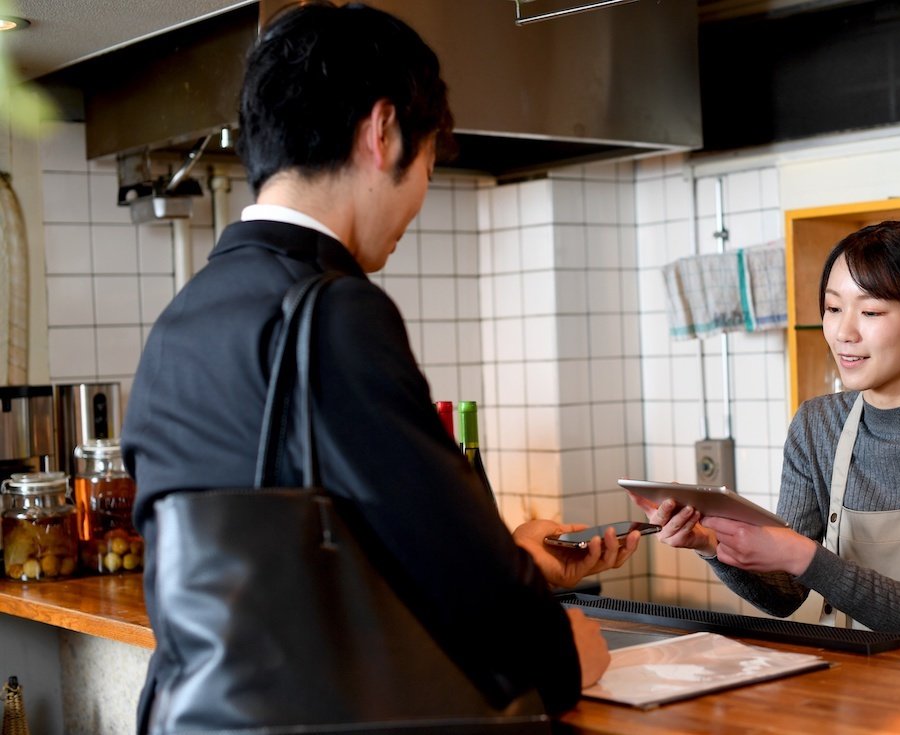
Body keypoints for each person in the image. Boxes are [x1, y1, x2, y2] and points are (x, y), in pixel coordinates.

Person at [122, 2, 639, 730]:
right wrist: (562, 652)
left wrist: (519, 560)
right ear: (382, 130)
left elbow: (309, 547)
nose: (419, 196)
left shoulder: (184, 318)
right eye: (427, 161)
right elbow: (456, 572)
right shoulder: (331, 311)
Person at [633, 220, 900, 659]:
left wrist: (803, 555)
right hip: (861, 678)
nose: (845, 332)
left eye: (871, 312)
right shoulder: (815, 424)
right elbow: (786, 596)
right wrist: (712, 545)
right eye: (833, 308)